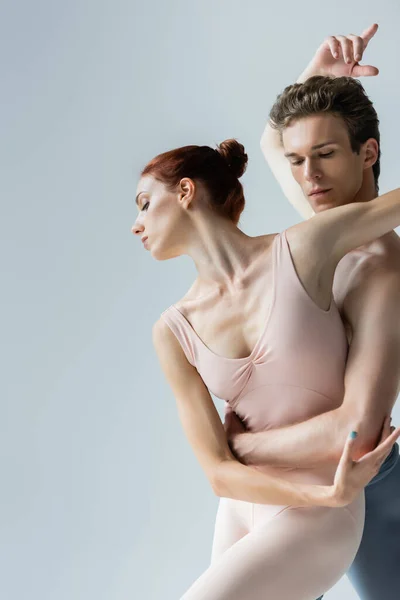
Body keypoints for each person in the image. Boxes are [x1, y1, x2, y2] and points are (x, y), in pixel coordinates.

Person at [132, 136, 400, 599]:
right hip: (245, 506)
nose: (136, 225)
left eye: (143, 203)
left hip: (325, 508)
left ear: (185, 192)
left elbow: (381, 203)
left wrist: (329, 497)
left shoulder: (303, 250)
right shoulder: (172, 331)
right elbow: (217, 471)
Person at [225, 23, 400, 600]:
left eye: (324, 155)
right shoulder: (325, 225)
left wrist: (242, 446)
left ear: (368, 153)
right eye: (299, 161)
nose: (307, 178)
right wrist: (318, 72)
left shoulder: (381, 268)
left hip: (361, 482)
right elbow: (273, 141)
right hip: (287, 482)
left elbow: (356, 429)